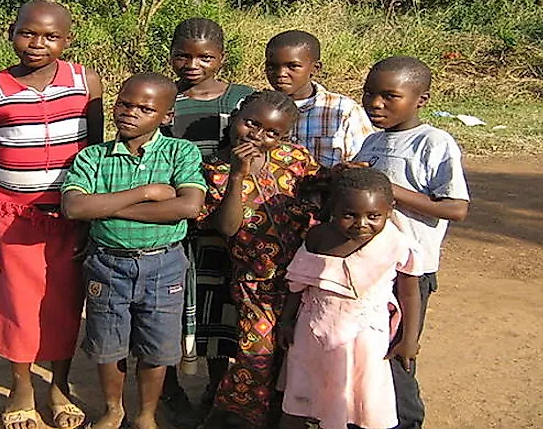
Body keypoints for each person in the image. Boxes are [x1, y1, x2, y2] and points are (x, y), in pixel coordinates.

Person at [0, 0, 104, 429]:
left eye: (50, 36)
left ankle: (60, 385)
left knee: (64, 304)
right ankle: (21, 386)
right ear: (11, 32)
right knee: (16, 305)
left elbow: (97, 155)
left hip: (69, 217)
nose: (37, 44)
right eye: (27, 33)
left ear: (67, 40)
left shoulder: (86, 81)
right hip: (11, 214)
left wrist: (90, 221)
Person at [61, 72, 207, 429]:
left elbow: (188, 206)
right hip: (108, 264)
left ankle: (145, 415)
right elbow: (75, 208)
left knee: (156, 348)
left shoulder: (179, 152)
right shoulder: (93, 157)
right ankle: (113, 409)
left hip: (165, 264)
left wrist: (106, 207)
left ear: (166, 115)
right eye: (125, 103)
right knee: (108, 344)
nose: (131, 112)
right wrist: (144, 194)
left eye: (145, 108)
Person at [352, 56, 470, 429]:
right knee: (365, 352)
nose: (375, 103)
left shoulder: (433, 142)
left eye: (390, 96)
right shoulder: (371, 141)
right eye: (370, 94)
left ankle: (406, 421)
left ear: (421, 99)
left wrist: (389, 191)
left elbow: (456, 208)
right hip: (367, 269)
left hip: (410, 272)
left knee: (398, 354)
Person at [199, 91, 321, 429]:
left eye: (271, 133)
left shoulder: (294, 157)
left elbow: (322, 188)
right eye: (251, 123)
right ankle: (234, 418)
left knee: (298, 352)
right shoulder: (216, 170)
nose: (257, 135)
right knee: (257, 355)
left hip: (306, 279)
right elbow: (226, 227)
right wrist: (238, 175)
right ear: (236, 117)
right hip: (256, 284)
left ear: (283, 137)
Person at [160, 17, 255, 428]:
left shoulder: (242, 100)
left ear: (222, 58)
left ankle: (218, 393)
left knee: (221, 311)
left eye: (205, 57)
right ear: (171, 56)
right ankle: (167, 390)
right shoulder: (162, 98)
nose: (193, 64)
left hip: (224, 223)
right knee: (166, 308)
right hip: (174, 222)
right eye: (183, 55)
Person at [277, 168, 423, 429]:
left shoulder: (396, 244)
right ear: (333, 209)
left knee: (360, 396)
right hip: (313, 330)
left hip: (365, 335)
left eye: (373, 216)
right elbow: (298, 282)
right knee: (305, 393)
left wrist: (409, 339)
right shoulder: (318, 237)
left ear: (390, 211)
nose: (361, 223)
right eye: (349, 215)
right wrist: (286, 321)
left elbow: (410, 293)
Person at [265, 30, 373, 168]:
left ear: (315, 68)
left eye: (293, 66)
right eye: (271, 66)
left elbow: (362, 165)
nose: (281, 74)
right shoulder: (258, 108)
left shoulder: (343, 111)